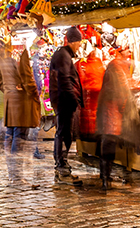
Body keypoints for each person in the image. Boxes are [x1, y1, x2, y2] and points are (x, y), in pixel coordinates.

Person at [96, 44, 138, 190]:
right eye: (127, 49)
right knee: (109, 141)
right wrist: (125, 104)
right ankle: (105, 177)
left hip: (111, 107)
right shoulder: (117, 65)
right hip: (112, 108)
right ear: (120, 51)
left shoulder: (116, 64)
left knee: (109, 141)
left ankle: (106, 175)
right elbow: (122, 87)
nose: (130, 52)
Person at [49, 25, 83, 182]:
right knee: (64, 133)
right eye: (79, 42)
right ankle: (62, 167)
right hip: (64, 100)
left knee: (63, 133)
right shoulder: (63, 55)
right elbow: (64, 80)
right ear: (73, 41)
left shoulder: (63, 54)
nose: (80, 45)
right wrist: (72, 99)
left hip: (63, 99)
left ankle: (61, 165)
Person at [0, 45, 40, 153]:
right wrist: (34, 92)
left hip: (10, 99)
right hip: (21, 100)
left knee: (11, 132)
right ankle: (15, 160)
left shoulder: (1, 60)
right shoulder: (20, 57)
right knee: (19, 133)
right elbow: (26, 77)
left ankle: (10, 159)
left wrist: (8, 90)